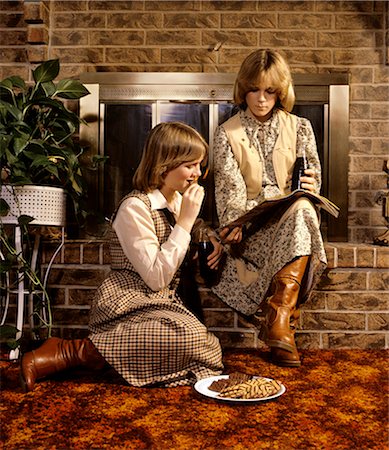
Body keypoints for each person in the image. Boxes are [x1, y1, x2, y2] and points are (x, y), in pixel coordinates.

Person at [20, 122, 224, 392]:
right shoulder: (134, 207)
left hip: (161, 302)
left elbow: (188, 227)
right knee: (192, 339)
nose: (198, 174)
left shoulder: (175, 200)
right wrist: (185, 223)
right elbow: (155, 277)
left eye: (200, 165)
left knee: (209, 348)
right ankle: (73, 351)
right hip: (128, 301)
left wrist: (209, 234)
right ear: (165, 164)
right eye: (190, 165)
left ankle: (109, 359)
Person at [211, 49, 327, 367]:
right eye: (254, 89)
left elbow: (309, 185)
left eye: (270, 91)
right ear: (243, 89)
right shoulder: (226, 134)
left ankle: (278, 316)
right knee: (301, 213)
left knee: (303, 207)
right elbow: (231, 202)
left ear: (281, 92)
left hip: (295, 221)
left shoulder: (301, 127)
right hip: (252, 231)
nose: (261, 99)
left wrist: (312, 188)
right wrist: (255, 213)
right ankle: (281, 324)